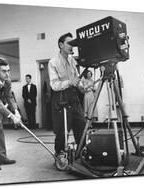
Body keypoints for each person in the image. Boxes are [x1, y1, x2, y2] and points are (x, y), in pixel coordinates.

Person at [48, 32, 86, 163]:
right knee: (62, 130)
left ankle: (81, 153)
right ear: (61, 45)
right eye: (69, 43)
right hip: (61, 99)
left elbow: (77, 77)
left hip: (74, 98)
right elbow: (54, 85)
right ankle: (59, 154)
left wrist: (81, 86)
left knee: (82, 124)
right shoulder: (53, 62)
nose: (72, 46)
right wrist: (70, 82)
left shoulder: (72, 60)